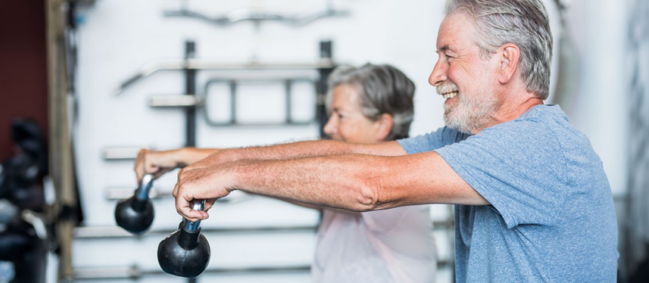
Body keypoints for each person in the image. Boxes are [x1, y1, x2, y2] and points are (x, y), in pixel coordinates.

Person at [167, 0, 619, 282]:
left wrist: (232, 174)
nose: (434, 75)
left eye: (449, 56)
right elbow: (349, 154)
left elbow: (369, 186)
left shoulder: (536, 147)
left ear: (505, 62)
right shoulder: (469, 140)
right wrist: (221, 163)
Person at [135, 64, 438, 282]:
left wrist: (190, 161)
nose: (329, 127)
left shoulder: (393, 189)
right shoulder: (338, 188)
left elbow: (295, 173)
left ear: (382, 126)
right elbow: (288, 172)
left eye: (340, 115)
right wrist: (185, 160)